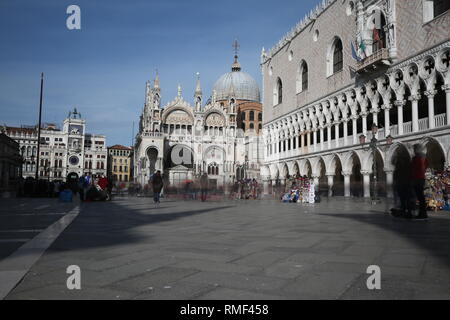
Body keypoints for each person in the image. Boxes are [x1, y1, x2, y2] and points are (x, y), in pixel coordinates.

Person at [411, 144, 429, 220]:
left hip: (417, 179)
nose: (413, 150)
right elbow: (425, 166)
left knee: (419, 197)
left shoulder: (417, 158)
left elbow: (414, 168)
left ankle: (422, 214)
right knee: (421, 197)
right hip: (421, 178)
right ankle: (422, 213)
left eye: (414, 149)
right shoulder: (424, 157)